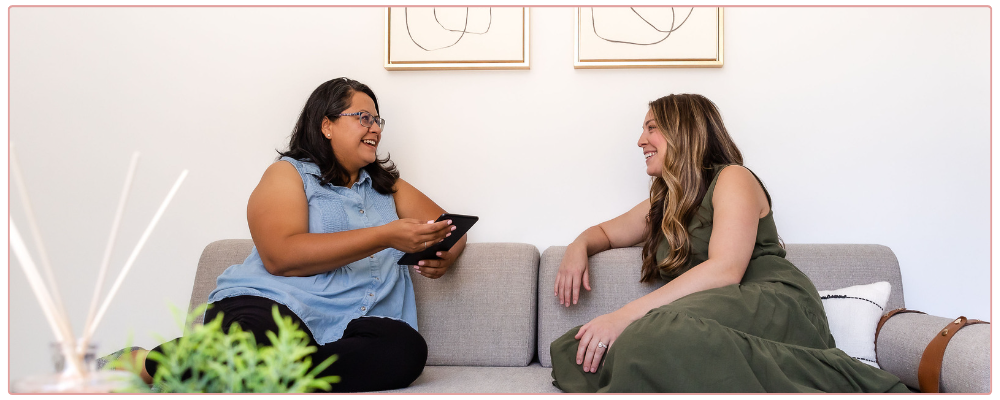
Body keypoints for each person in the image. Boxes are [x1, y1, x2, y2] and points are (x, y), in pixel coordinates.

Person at [123, 77, 466, 392]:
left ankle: (257, 373)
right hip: (272, 308)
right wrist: (384, 236)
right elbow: (280, 256)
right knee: (260, 338)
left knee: (404, 350)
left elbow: (450, 227)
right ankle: (150, 364)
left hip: (352, 330)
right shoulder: (287, 175)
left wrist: (446, 255)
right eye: (363, 117)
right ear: (327, 125)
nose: (374, 127)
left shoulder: (388, 188)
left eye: (378, 120)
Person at [548, 94, 909, 393]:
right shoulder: (664, 204)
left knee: (646, 335)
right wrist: (578, 246)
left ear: (684, 132)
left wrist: (624, 316)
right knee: (572, 349)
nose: (641, 140)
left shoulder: (732, 178)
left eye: (652, 128)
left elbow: (726, 269)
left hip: (771, 300)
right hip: (708, 313)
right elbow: (606, 233)